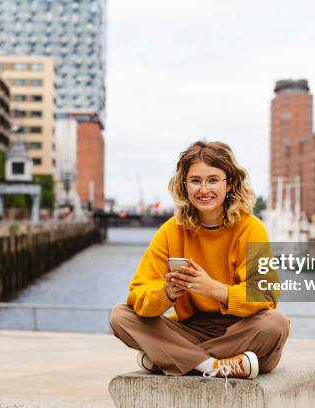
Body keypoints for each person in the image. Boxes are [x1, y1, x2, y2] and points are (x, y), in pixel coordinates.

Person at [110, 140, 289, 380]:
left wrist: (215, 290)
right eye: (195, 181)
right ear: (184, 186)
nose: (204, 189)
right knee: (120, 316)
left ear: (230, 183)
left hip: (242, 329)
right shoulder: (170, 230)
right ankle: (213, 366)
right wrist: (168, 292)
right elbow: (137, 295)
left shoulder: (251, 228)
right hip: (189, 330)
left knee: (274, 324)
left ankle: (167, 359)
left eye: (213, 180)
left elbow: (267, 295)